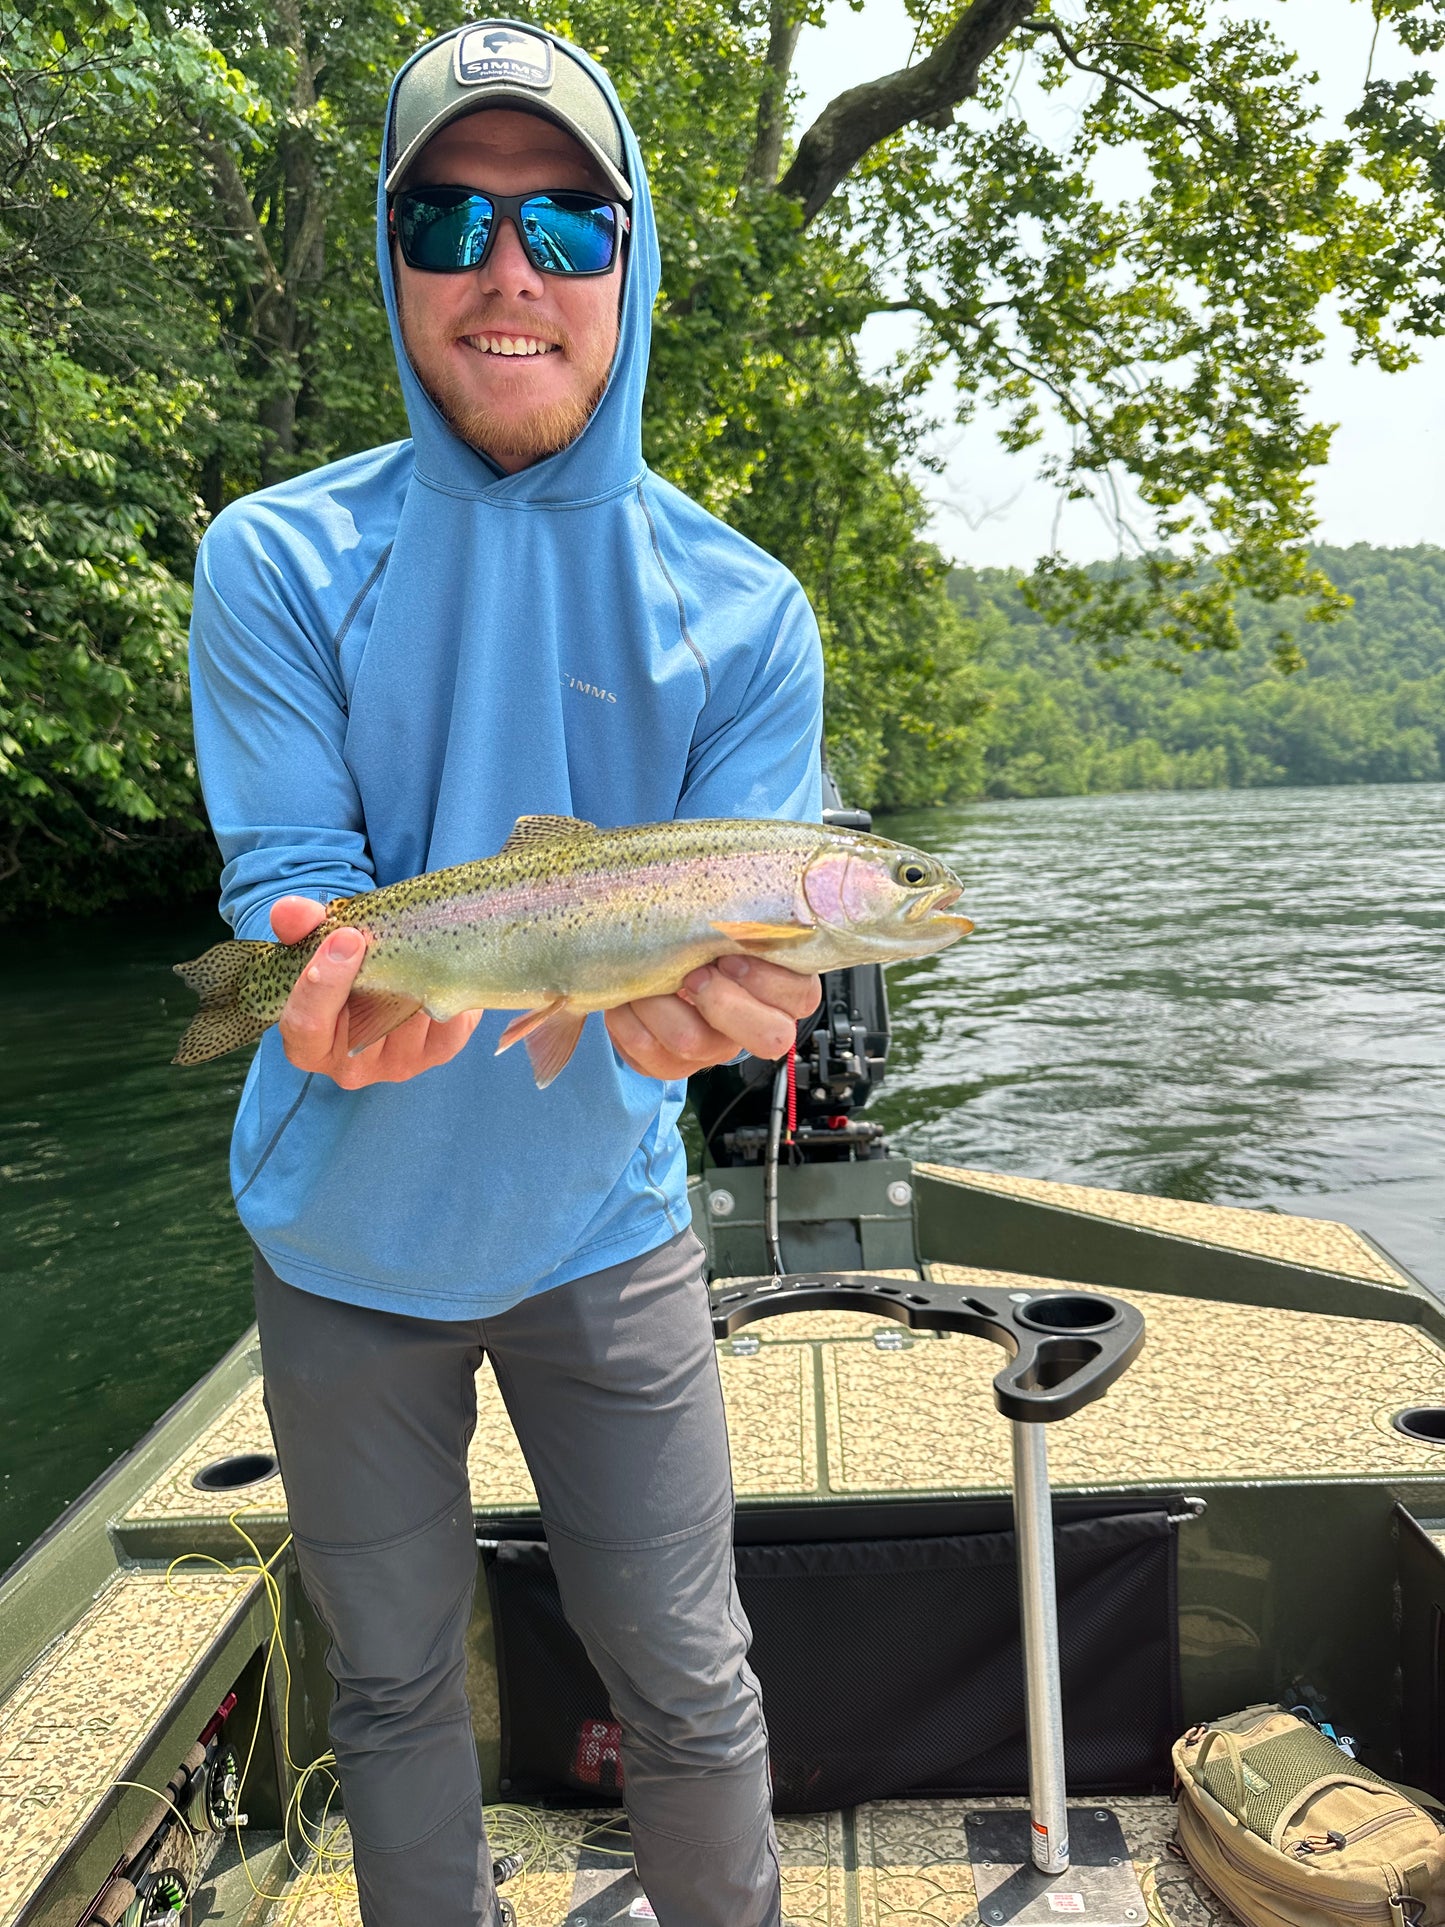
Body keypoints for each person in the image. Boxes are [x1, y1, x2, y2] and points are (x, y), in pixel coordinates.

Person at [187, 18, 825, 1927]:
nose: (507, 270)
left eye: (566, 221)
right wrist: (313, 978)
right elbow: (296, 884)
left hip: (604, 1229)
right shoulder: (274, 556)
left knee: (694, 1688)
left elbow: (732, 958)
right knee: (386, 1689)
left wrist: (727, 1017)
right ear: (392, 260)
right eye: (447, 218)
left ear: (629, 261)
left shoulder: (749, 608)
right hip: (334, 1239)